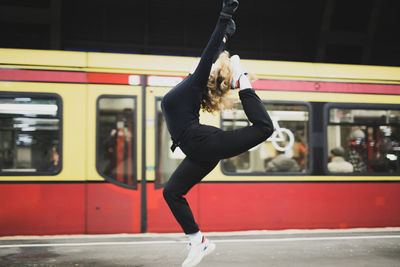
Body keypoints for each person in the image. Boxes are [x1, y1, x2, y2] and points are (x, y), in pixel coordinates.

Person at [161, 1, 273, 266]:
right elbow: (212, 53)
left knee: (265, 129)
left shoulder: (192, 86)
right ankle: (198, 241)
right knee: (172, 193)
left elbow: (209, 52)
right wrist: (226, 35)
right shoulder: (191, 87)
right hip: (200, 150)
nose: (206, 65)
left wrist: (225, 17)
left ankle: (242, 80)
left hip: (205, 144)